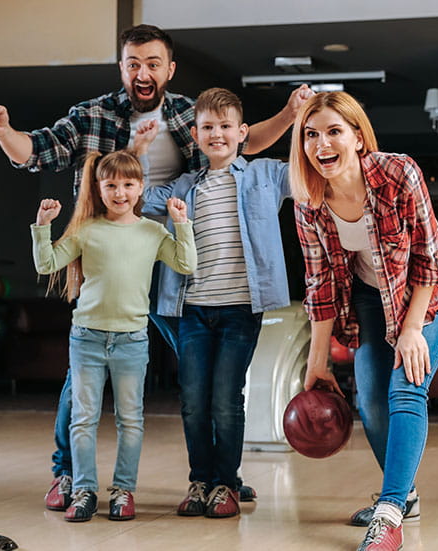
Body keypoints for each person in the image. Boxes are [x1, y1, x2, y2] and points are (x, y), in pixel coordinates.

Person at [0, 23, 312, 511]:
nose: (143, 72)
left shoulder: (187, 115)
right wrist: (4, 131)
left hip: (175, 260)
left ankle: (222, 476)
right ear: (122, 67)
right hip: (112, 256)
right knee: (86, 375)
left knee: (209, 377)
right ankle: (66, 474)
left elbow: (245, 142)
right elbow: (37, 151)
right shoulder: (91, 115)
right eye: (133, 64)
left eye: (153, 63)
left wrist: (289, 112)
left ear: (169, 69)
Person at [289, 92, 438, 551]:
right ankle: (404, 496)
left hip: (435, 289)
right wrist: (317, 361)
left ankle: (388, 515)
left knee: (406, 384)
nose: (321, 144)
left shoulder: (397, 172)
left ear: (357, 136)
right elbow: (321, 283)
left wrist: (411, 331)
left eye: (334, 131)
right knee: (369, 400)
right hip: (370, 296)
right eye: (311, 134)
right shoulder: (308, 201)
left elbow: (428, 258)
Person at [136, 87, 292, 519]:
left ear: (243, 133)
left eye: (226, 127)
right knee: (193, 400)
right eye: (208, 127)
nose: (217, 134)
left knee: (226, 398)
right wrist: (139, 149)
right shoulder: (182, 188)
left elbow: (310, 172)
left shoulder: (265, 175)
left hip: (241, 309)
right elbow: (132, 198)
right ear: (195, 134)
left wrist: (297, 116)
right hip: (192, 310)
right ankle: (200, 480)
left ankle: (226, 483)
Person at [31, 149, 196, 522]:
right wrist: (43, 226)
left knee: (131, 420)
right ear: (99, 189)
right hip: (87, 338)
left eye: (128, 184)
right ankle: (84, 490)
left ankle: (124, 490)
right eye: (111, 185)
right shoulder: (86, 230)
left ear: (140, 189)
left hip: (131, 341)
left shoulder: (153, 231)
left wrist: (181, 223)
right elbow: (46, 263)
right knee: (84, 418)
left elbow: (186, 264)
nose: (119, 192)